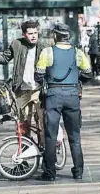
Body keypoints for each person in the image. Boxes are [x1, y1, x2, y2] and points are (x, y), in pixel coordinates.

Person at [34, 23, 92, 181]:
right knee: (75, 136)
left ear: (55, 36)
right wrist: (75, 79)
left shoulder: (47, 52)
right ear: (68, 37)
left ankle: (50, 172)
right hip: (72, 96)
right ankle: (78, 171)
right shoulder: (77, 53)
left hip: (53, 96)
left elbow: (38, 76)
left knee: (50, 135)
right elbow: (88, 73)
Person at [0, 20, 47, 143]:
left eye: (36, 33)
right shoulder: (17, 44)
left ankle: (44, 150)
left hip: (38, 90)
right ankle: (24, 152)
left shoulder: (43, 47)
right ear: (24, 34)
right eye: (30, 33)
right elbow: (5, 58)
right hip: (22, 90)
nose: (34, 36)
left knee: (41, 121)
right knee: (23, 123)